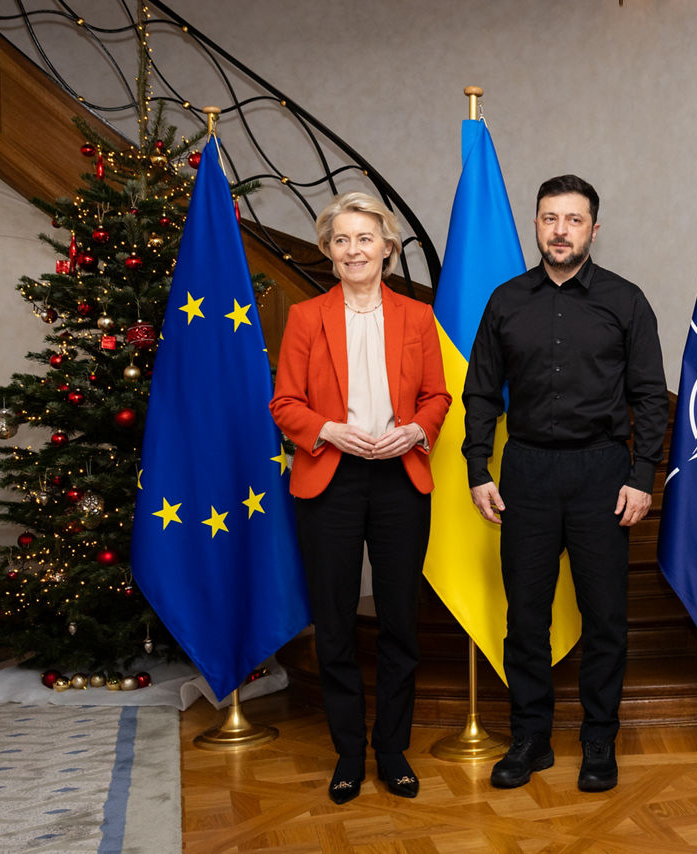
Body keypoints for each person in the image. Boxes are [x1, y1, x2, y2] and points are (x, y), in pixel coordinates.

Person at [463, 174, 669, 793]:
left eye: (574, 220)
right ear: (535, 225)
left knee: (605, 616)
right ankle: (529, 738)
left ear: (594, 230)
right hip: (524, 471)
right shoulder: (505, 301)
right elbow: (478, 395)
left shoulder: (626, 301)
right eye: (550, 218)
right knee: (525, 617)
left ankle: (599, 740)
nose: (560, 230)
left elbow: (650, 398)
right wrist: (478, 470)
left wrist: (641, 477)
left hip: (601, 474)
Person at [270, 192, 451, 805]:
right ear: (328, 251)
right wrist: (328, 430)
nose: (354, 250)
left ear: (387, 248)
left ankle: (392, 750)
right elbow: (285, 403)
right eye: (341, 240)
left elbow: (437, 398)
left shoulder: (418, 317)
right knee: (336, 622)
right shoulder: (304, 317)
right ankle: (349, 752)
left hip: (401, 477)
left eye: (365, 239)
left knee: (400, 619)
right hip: (330, 477)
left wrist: (417, 430)